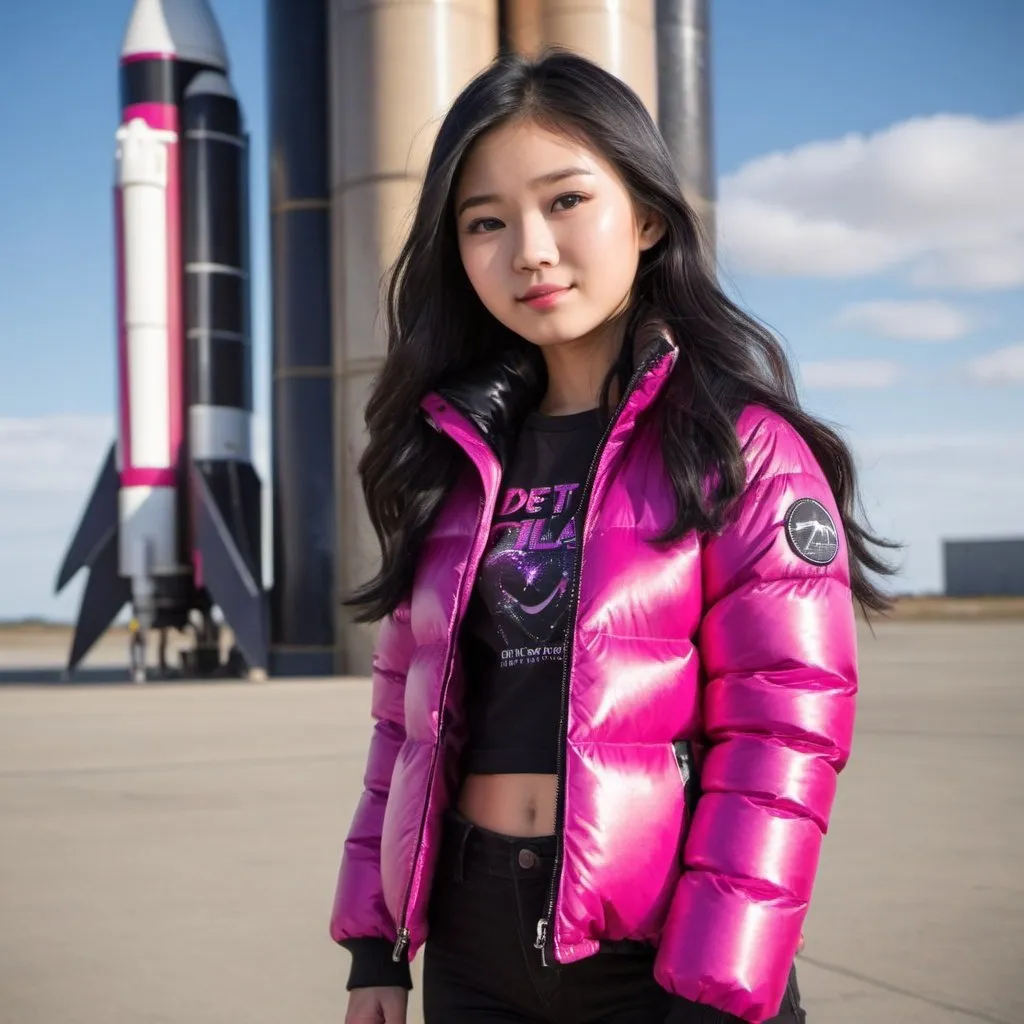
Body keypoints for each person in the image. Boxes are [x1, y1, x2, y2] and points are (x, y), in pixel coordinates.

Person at [330, 49, 894, 1024]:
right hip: (473, 949)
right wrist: (375, 943)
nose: (530, 250)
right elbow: (404, 723)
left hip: (663, 956)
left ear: (644, 214)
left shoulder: (738, 448)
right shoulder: (453, 459)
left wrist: (718, 988)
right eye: (485, 221)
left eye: (564, 201)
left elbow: (779, 734)